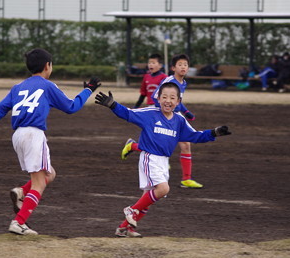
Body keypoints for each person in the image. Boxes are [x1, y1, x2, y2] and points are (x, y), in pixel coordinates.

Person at [0, 48, 101, 235]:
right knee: (40, 183)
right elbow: (71, 107)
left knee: (49, 174)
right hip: (34, 135)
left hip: (17, 135)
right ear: (47, 66)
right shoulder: (47, 85)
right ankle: (18, 222)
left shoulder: (17, 87)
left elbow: (0, 108)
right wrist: (88, 90)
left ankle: (21, 192)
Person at [95, 83, 231, 237]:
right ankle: (131, 211)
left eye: (172, 97)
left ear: (178, 101)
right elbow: (129, 114)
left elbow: (195, 136)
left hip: (163, 162)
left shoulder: (179, 120)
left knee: (148, 199)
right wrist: (113, 105)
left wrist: (213, 133)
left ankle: (124, 228)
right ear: (158, 98)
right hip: (149, 158)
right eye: (164, 97)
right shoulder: (151, 113)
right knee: (163, 189)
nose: (168, 100)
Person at [122, 54, 203, 189]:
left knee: (185, 145)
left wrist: (186, 112)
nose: (183, 67)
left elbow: (177, 100)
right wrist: (166, 113)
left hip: (174, 117)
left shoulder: (183, 83)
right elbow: (155, 98)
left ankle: (186, 179)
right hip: (161, 116)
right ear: (173, 68)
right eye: (180, 64)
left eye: (185, 65)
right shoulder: (168, 81)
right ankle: (133, 146)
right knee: (156, 144)